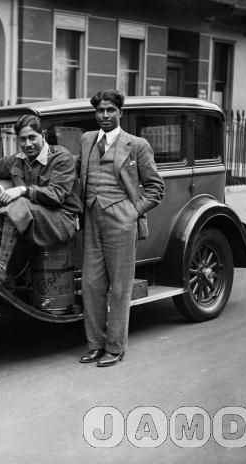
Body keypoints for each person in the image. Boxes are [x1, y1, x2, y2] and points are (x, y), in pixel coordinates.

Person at [78, 89, 164, 367]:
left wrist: (133, 212)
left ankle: (115, 348)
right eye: (100, 111)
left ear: (120, 113)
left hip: (121, 221)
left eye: (110, 110)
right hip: (92, 218)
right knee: (91, 285)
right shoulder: (87, 140)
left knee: (120, 288)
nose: (105, 115)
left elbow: (156, 188)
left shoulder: (137, 145)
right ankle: (96, 344)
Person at [0, 114, 82, 282]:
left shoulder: (61, 158)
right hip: (28, 219)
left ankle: (0, 266)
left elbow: (56, 195)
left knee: (20, 202)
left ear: (42, 135)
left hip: (61, 220)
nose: (27, 144)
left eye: (32, 137)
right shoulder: (18, 160)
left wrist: (23, 190)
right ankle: (7, 284)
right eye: (22, 139)